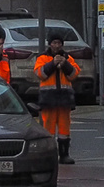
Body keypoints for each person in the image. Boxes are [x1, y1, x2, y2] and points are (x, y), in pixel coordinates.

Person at [35, 34, 81, 164]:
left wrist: (65, 64)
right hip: (48, 98)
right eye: (54, 43)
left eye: (59, 43)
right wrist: (53, 64)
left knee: (64, 128)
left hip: (64, 98)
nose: (56, 46)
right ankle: (48, 154)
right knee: (48, 128)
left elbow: (74, 74)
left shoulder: (68, 58)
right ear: (49, 44)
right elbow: (40, 74)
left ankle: (64, 154)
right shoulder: (42, 58)